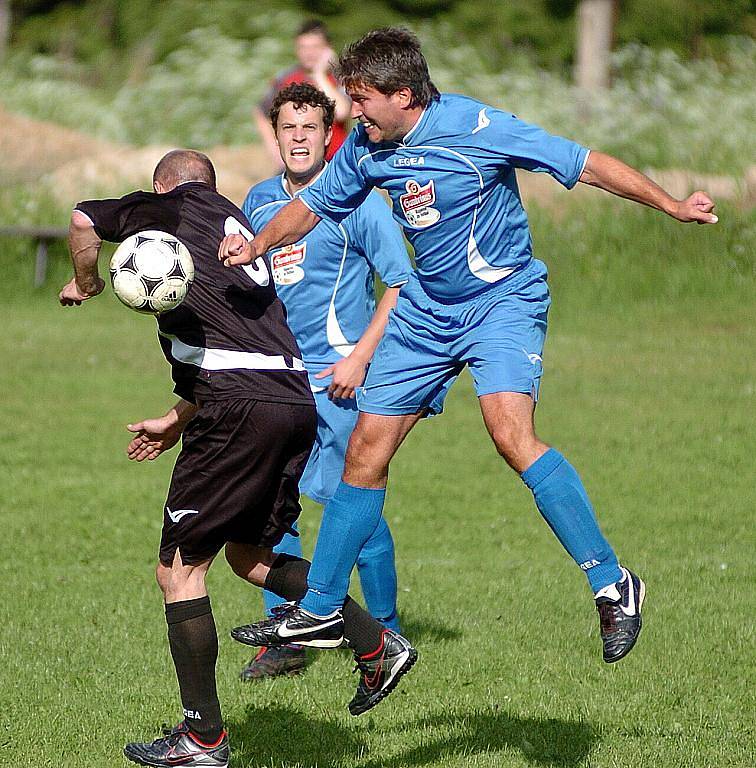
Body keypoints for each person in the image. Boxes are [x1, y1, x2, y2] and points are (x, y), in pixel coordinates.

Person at [219, 27, 720, 667]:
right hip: (427, 311)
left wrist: (673, 205)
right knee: (367, 449)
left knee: (509, 433)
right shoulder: (367, 148)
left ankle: (612, 583)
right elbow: (312, 207)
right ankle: (319, 609)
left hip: (501, 301)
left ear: (403, 95)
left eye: (363, 99)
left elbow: (586, 163)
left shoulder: (478, 127)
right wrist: (257, 245)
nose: (353, 112)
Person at [58, 149, 417, 768]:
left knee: (178, 569)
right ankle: (376, 644)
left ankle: (202, 740)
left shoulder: (171, 207)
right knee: (249, 557)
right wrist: (174, 421)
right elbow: (235, 349)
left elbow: (82, 217)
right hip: (289, 400)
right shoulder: (240, 229)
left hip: (238, 410)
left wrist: (86, 282)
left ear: (162, 188)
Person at [238, 82, 412, 680]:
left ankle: (386, 632)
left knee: (351, 508)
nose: (299, 139)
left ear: (328, 133)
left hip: (340, 383)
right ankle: (287, 637)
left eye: (311, 128)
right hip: (278, 384)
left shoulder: (359, 202)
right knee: (270, 509)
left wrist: (360, 358)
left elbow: (401, 283)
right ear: (276, 134)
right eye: (289, 128)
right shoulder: (258, 202)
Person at [255, 19, 351, 169]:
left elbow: (342, 112)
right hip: (295, 162)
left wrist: (319, 75)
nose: (308, 53)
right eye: (303, 47)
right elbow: (261, 112)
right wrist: (274, 150)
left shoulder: (339, 78)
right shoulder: (285, 79)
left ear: (327, 49)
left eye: (315, 47)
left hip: (335, 163)